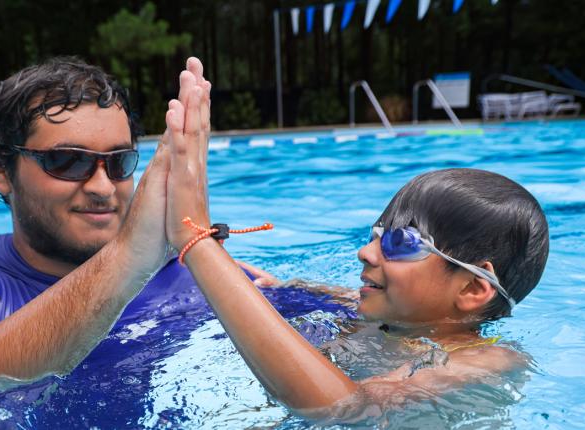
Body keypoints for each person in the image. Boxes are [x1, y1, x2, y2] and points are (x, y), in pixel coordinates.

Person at [160, 91, 550, 421]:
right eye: (374, 236)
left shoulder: (483, 363)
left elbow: (343, 407)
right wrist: (284, 286)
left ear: (470, 288)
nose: (365, 252)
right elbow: (335, 295)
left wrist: (201, 251)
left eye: (400, 243)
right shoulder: (391, 317)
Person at [0, 57, 218, 389]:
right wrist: (128, 257)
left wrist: (203, 253)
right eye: (67, 161)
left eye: (119, 162)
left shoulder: (185, 269)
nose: (102, 187)